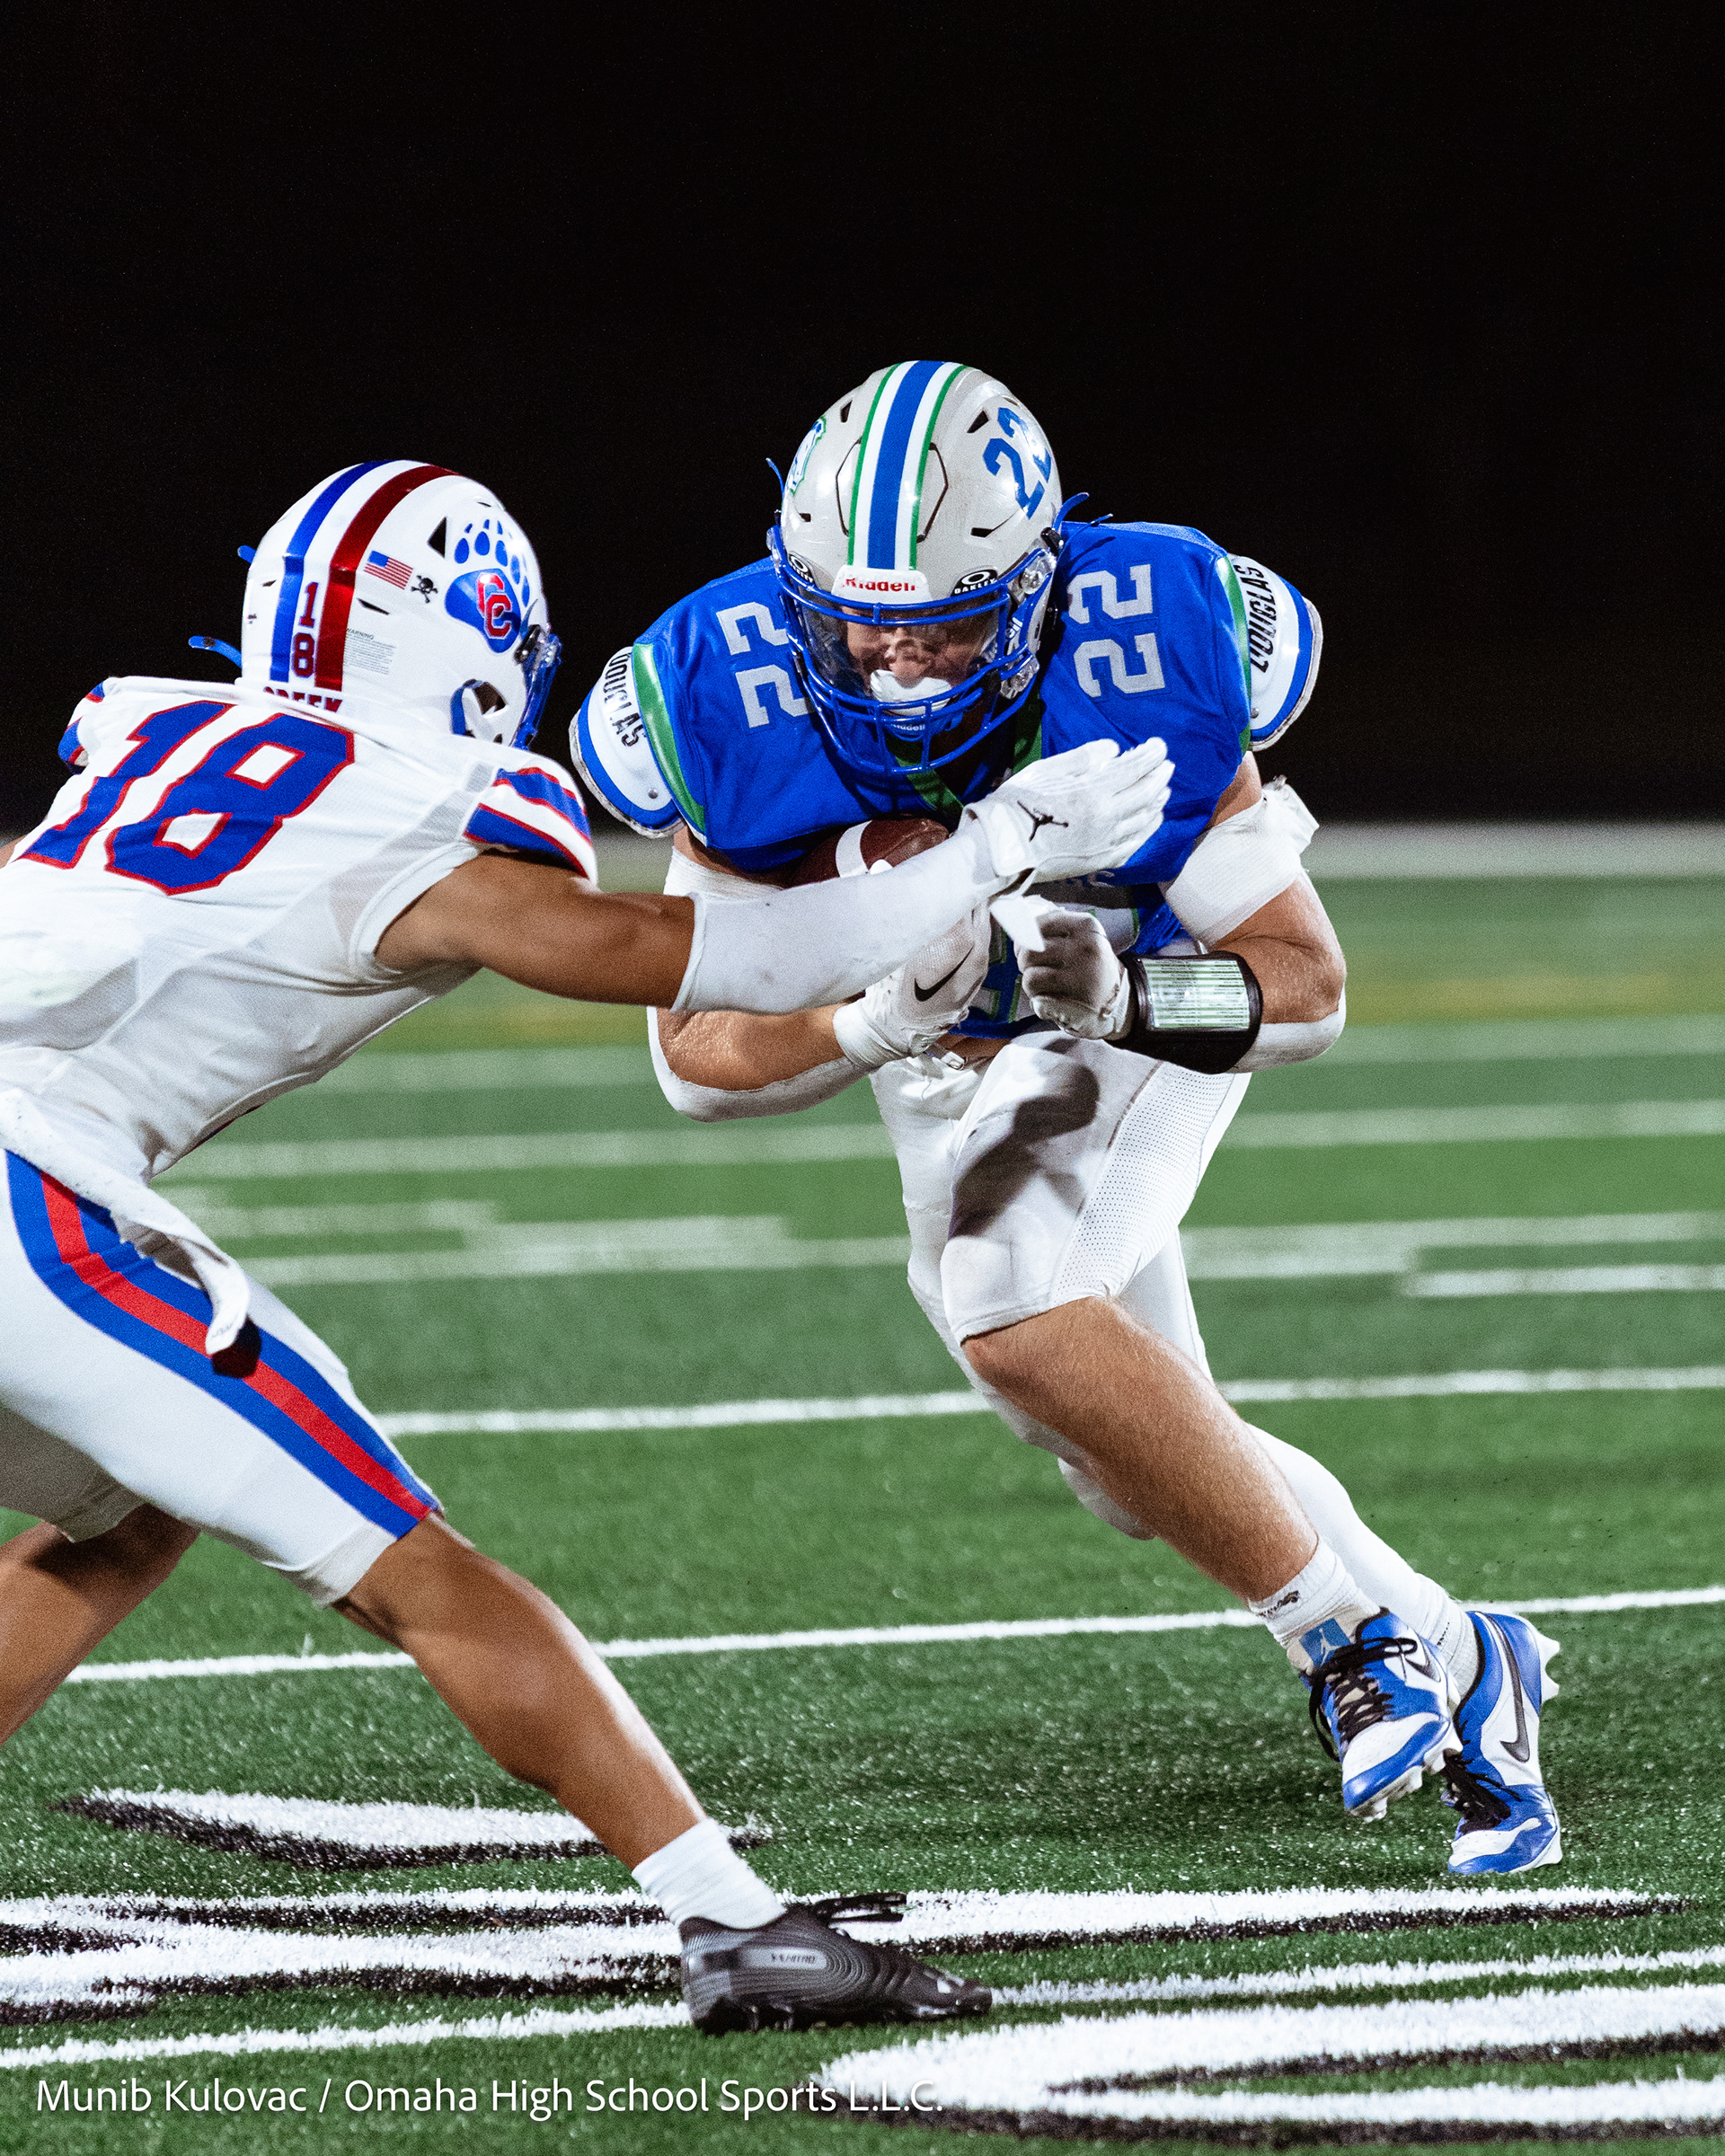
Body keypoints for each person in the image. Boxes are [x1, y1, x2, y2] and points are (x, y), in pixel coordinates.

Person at [0, 459, 1173, 2034]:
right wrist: (989, 847)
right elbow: (696, 960)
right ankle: (737, 1926)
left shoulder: (147, 743)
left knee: (131, 1506)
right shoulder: (419, 811)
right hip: (27, 1194)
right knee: (409, 1564)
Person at [571, 365, 1561, 1878]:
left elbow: (1304, 988)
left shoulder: (1148, 629)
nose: (900, 667)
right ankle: (1458, 1645)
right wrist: (876, 1023)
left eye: (948, 626)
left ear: (1035, 590)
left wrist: (1130, 997)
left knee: (1015, 1301)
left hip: (1126, 1002)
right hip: (930, 1047)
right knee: (1121, 1456)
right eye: (861, 628)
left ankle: (1345, 1637)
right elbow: (699, 1060)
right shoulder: (721, 683)